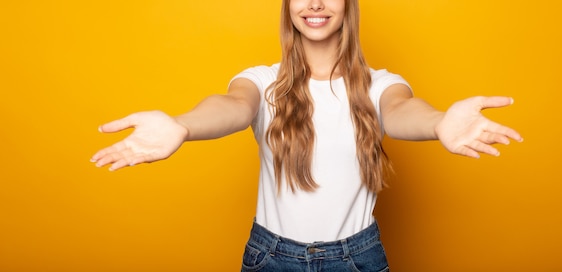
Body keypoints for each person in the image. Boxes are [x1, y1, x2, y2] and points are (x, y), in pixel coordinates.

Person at [91, 0, 523, 271]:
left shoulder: (380, 84)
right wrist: (183, 125)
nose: (315, 3)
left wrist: (437, 122)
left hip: (356, 258)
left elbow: (401, 110)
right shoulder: (261, 81)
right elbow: (233, 107)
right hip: (270, 256)